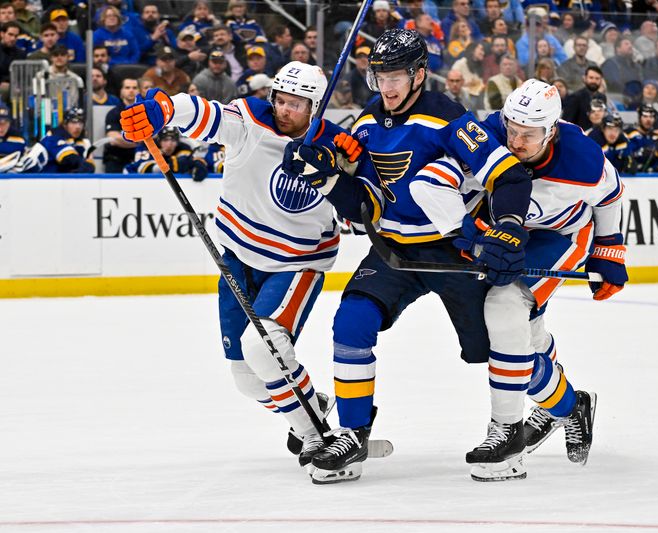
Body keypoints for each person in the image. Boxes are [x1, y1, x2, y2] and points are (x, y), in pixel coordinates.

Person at [283, 28, 532, 484]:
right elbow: (367, 206)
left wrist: (510, 227)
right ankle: (352, 433)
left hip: (453, 250)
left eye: (396, 75)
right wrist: (326, 180)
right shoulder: (366, 123)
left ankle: (549, 410)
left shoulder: (449, 117)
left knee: (501, 345)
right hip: (395, 252)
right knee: (351, 322)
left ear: (419, 74)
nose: (388, 86)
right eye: (380, 75)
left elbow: (511, 177)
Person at [118, 61, 362, 470]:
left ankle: (321, 437)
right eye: (280, 100)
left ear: (316, 107)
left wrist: (355, 169)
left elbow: (360, 212)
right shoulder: (249, 119)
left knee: (262, 348)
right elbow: (204, 114)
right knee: (245, 378)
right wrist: (163, 111)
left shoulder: (336, 146)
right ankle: (312, 406)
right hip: (238, 259)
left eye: (297, 104)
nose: (285, 110)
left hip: (296, 263)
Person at [472, 78, 623, 472]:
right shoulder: (489, 134)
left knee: (505, 308)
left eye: (529, 134)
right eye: (513, 130)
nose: (516, 142)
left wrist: (609, 249)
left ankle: (508, 433)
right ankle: (569, 405)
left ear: (552, 130)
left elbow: (610, 194)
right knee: (523, 330)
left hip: (563, 234)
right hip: (511, 232)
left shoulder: (581, 158)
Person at [15, 107, 94, 173]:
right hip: (29, 176)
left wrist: (86, 166)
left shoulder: (82, 141)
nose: (78, 127)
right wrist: (84, 165)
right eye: (73, 122)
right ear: (65, 124)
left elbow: (89, 166)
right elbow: (69, 160)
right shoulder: (53, 136)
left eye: (80, 123)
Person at [124, 126, 207, 180]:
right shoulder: (147, 146)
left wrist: (198, 163)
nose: (169, 143)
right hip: (134, 181)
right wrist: (169, 166)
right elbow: (141, 168)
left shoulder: (183, 147)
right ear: (159, 141)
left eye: (173, 140)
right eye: (166, 140)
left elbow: (187, 162)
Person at [103, 78, 140, 172]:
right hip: (116, 159)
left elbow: (154, 136)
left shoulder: (145, 113)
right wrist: (140, 140)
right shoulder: (113, 113)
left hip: (138, 159)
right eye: (127, 87)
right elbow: (114, 139)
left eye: (134, 88)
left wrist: (125, 140)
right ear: (122, 91)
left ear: (139, 91)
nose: (131, 90)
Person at [626, 103, 658, 172]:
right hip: (634, 177)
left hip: (655, 178)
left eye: (651, 117)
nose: (648, 119)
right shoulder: (629, 134)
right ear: (639, 118)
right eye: (645, 116)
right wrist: (641, 153)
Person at [561, 66, 606, 131]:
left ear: (601, 80)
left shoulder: (602, 97)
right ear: (585, 78)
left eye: (597, 78)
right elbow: (566, 123)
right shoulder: (575, 97)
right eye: (591, 78)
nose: (594, 81)